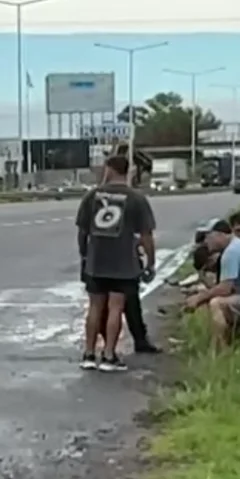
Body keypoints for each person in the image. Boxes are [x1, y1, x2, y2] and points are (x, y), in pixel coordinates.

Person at [76, 155, 157, 372]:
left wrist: (85, 255)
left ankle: (89, 353)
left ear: (110, 170)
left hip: (96, 261)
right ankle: (109, 355)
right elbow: (146, 235)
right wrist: (150, 263)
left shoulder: (92, 196)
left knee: (94, 307)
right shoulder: (137, 198)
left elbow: (82, 231)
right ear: (127, 171)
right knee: (115, 308)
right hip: (124, 263)